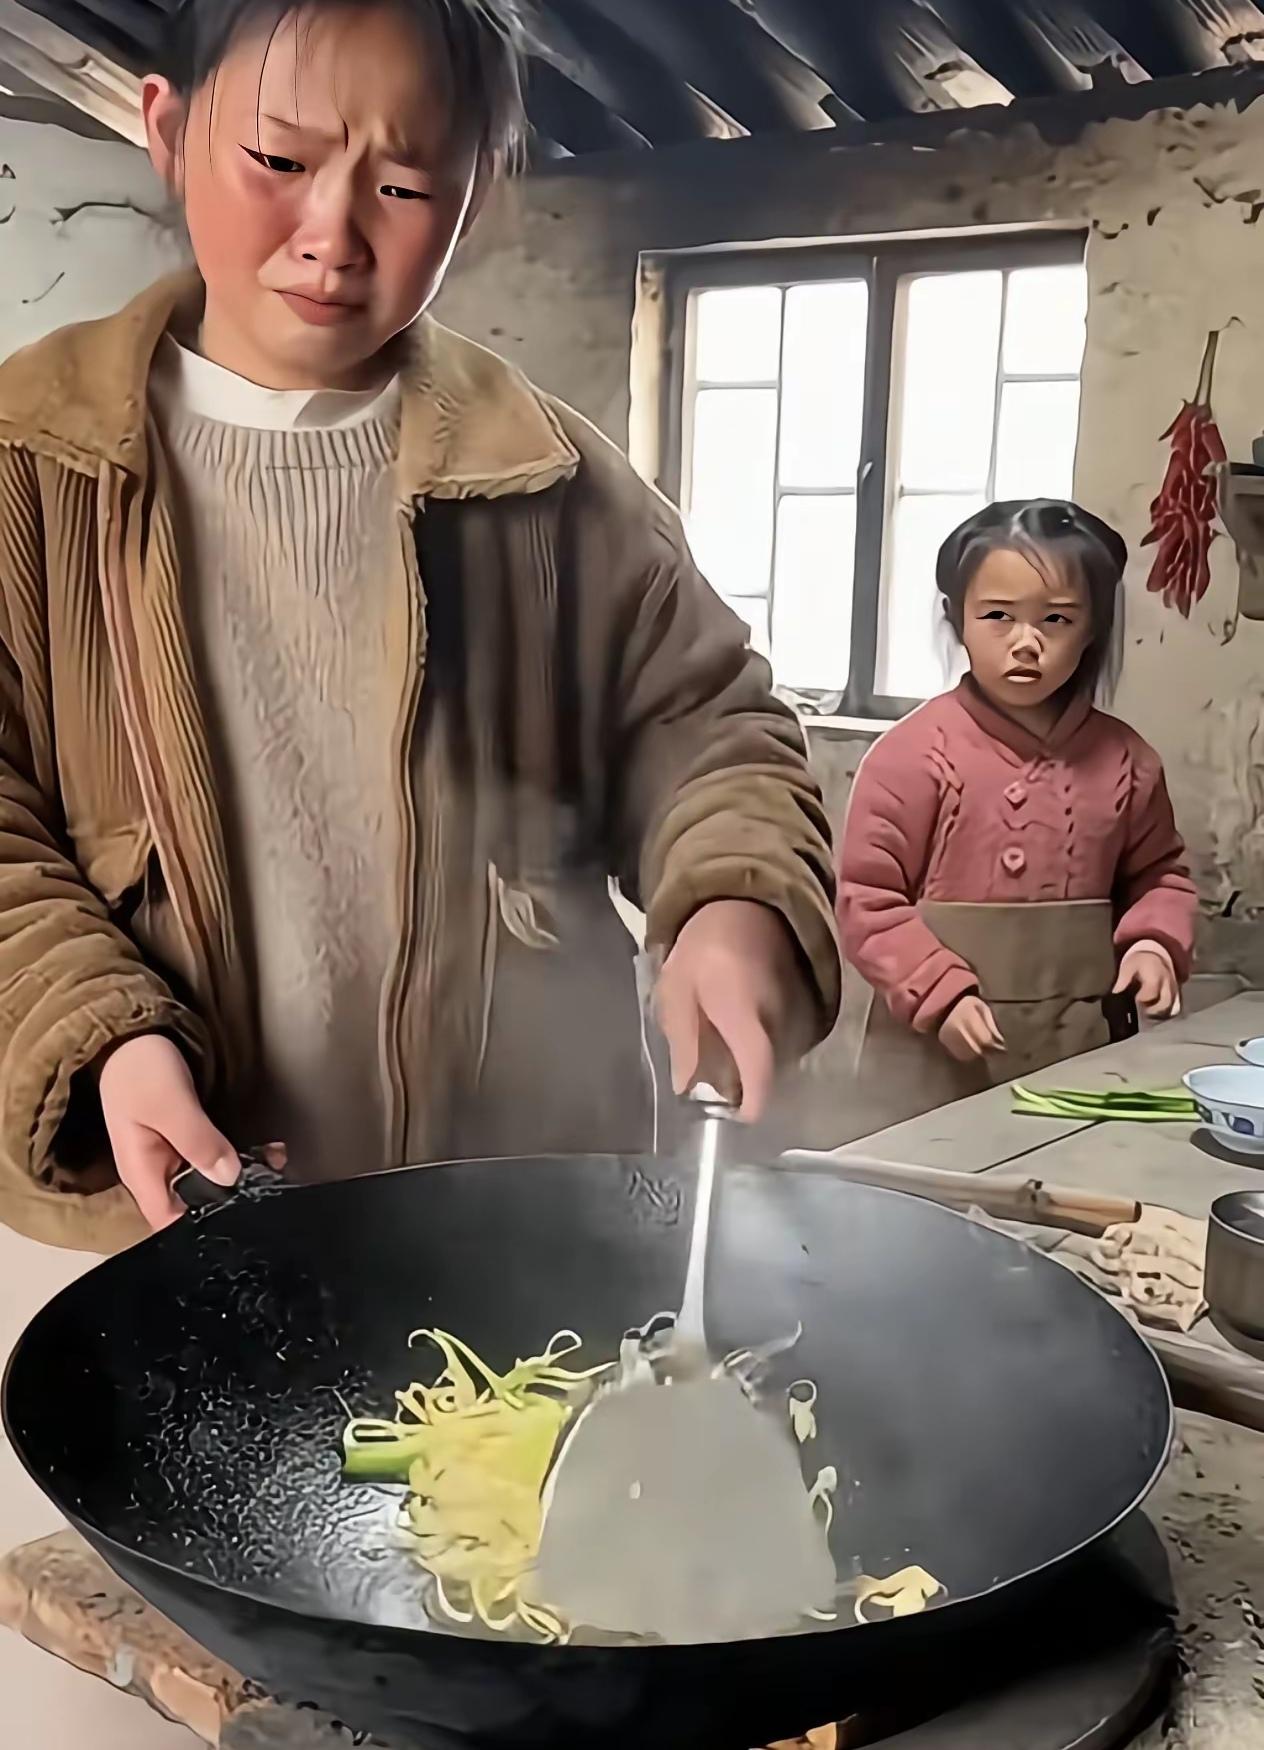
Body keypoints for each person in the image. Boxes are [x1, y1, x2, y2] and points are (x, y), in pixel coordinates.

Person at [0, 0, 839, 1251]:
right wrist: (100, 1033)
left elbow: (709, 725)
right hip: (164, 1232)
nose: (332, 235)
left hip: (512, 1212)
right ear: (167, 133)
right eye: (278, 163)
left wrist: (734, 897)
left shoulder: (550, 479)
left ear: (477, 194)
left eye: (401, 184)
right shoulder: (34, 463)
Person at [836, 499, 1196, 1128]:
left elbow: (1160, 875)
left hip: (1078, 1054)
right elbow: (868, 899)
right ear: (957, 620)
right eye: (998, 616)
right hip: (930, 1059)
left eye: (1056, 619)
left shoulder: (1128, 762)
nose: (1026, 643)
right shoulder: (910, 758)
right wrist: (940, 994)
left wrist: (1153, 946)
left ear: (1091, 630)